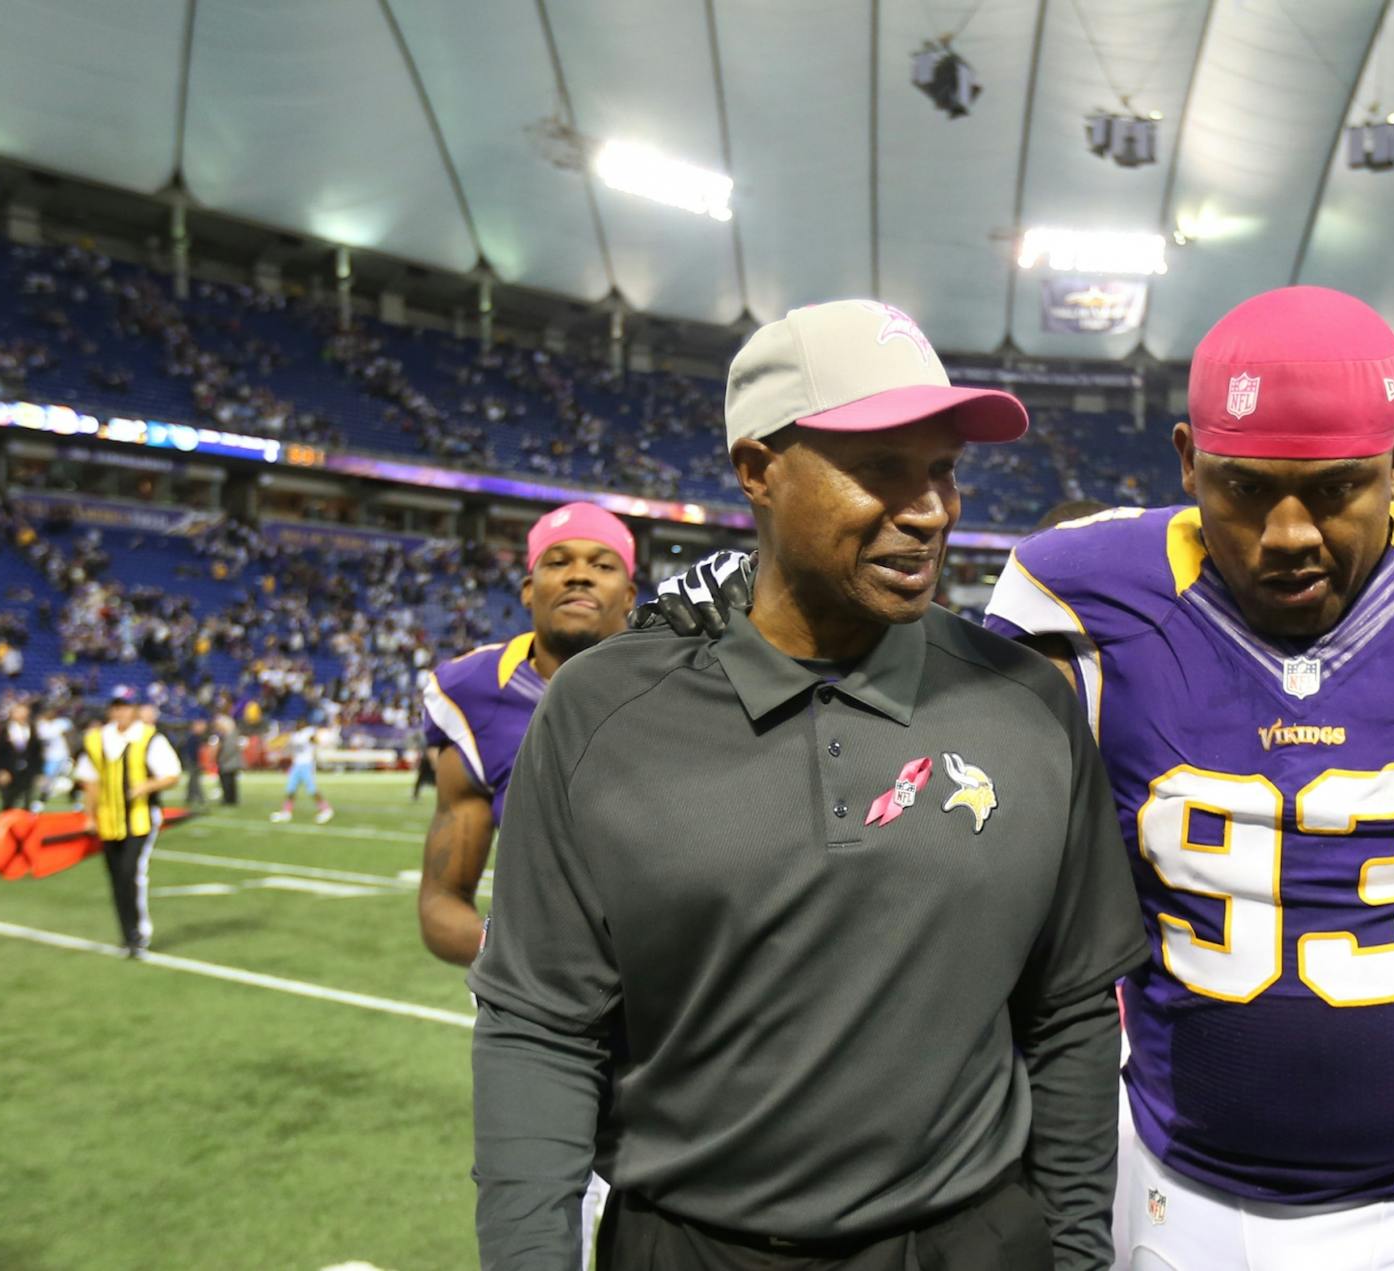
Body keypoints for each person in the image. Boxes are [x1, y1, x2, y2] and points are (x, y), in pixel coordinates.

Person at [644, 287, 1394, 1270]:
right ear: (1187, 461)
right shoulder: (1084, 602)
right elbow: (913, 749)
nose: (1288, 535)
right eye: (1244, 488)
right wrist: (777, 619)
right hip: (1176, 1195)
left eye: (1333, 490)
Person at [472, 299, 1147, 1270]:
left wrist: (1078, 1254)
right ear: (758, 470)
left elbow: (1072, 1009)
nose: (930, 509)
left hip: (970, 1239)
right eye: (881, 469)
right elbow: (540, 1026)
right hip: (688, 1244)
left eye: (944, 468)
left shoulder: (1026, 704)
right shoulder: (598, 712)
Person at [417, 502, 639, 1266]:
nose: (579, 572)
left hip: (683, 1013)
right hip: (556, 1028)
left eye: (601, 562)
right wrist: (514, 949)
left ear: (632, 595)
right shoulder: (479, 695)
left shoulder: (685, 677)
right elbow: (440, 902)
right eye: (559, 559)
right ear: (527, 586)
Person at [74, 687, 181, 957]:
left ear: (134, 709)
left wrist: (147, 786)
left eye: (125, 706)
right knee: (116, 877)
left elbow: (171, 774)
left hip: (140, 818)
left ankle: (138, 933)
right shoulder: (97, 739)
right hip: (109, 820)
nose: (120, 711)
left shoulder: (149, 738)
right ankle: (126, 932)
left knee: (131, 871)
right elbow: (90, 782)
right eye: (116, 706)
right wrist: (89, 815)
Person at [271, 722, 333, 823]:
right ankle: (286, 812)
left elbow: (315, 741)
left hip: (306, 765)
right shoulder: (295, 735)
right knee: (291, 789)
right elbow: (284, 745)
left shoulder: (308, 732)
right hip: (296, 765)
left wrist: (316, 741)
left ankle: (326, 809)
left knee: (312, 789)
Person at [0, 701, 40, 812]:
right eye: (19, 711)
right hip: (9, 771)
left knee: (27, 804)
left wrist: (37, 772)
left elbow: (37, 752)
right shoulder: (4, 729)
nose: (22, 714)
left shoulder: (32, 728)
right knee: (8, 802)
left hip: (27, 772)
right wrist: (0, 770)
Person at [32, 707, 75, 812]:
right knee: (48, 780)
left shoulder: (61, 723)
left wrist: (72, 753)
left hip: (62, 755)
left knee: (63, 778)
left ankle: (73, 801)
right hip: (48, 757)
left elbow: (69, 736)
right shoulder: (40, 724)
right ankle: (41, 800)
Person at [214, 715, 243, 807]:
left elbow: (229, 750)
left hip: (228, 763)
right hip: (230, 762)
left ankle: (229, 799)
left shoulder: (230, 735)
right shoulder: (230, 734)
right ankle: (230, 799)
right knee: (230, 782)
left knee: (227, 782)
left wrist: (221, 759)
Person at [182, 719, 210, 808]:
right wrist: (197, 762)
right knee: (195, 780)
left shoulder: (195, 737)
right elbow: (192, 752)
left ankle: (190, 797)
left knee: (192, 780)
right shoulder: (193, 737)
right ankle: (200, 798)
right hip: (192, 761)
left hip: (192, 760)